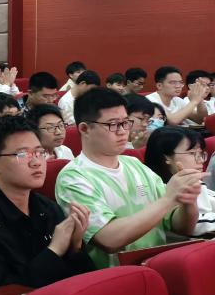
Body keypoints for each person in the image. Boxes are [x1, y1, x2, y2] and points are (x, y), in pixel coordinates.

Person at [55, 88, 201, 268]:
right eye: (113, 124)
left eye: (125, 122)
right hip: (117, 275)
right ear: (85, 129)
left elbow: (181, 227)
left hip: (159, 266)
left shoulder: (133, 163)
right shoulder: (73, 177)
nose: (123, 131)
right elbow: (109, 239)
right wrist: (169, 198)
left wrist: (188, 201)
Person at [0, 115, 94, 293]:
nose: (36, 162)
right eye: (23, 154)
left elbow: (85, 280)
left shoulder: (47, 207)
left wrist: (75, 246)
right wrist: (55, 249)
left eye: (39, 152)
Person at [144, 126, 215, 236]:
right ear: (167, 157)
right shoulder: (160, 190)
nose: (201, 160)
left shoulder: (195, 182)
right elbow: (196, 225)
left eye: (201, 153)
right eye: (192, 153)